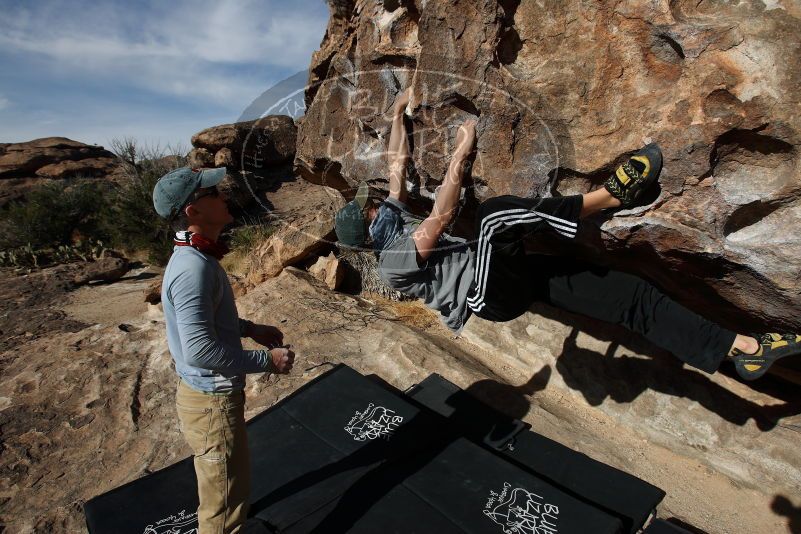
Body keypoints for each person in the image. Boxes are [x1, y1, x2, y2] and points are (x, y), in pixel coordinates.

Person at [334, 88, 801, 381]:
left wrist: (398, 116)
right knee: (495, 216)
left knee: (629, 297)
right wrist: (463, 148)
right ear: (372, 224)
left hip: (515, 276)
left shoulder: (388, 219)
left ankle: (743, 349)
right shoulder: (393, 260)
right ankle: (610, 199)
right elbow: (444, 210)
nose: (377, 200)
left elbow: (396, 169)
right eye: (371, 206)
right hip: (487, 294)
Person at [152, 166, 295, 534]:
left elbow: (209, 320)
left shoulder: (196, 259)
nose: (222, 196)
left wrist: (250, 329)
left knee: (230, 490)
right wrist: (267, 360)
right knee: (224, 510)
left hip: (208, 398)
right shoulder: (192, 269)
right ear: (192, 212)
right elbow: (199, 350)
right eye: (211, 194)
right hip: (211, 403)